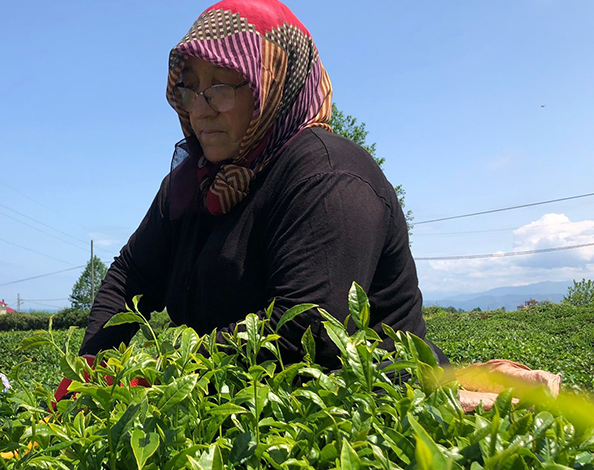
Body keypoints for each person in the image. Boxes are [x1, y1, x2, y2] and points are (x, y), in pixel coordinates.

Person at [78, 0, 448, 369]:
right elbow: (131, 275)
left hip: (367, 393)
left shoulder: (327, 176)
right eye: (190, 88)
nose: (200, 109)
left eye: (221, 86)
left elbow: (304, 331)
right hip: (230, 393)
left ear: (274, 83)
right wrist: (88, 370)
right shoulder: (191, 184)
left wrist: (160, 375)